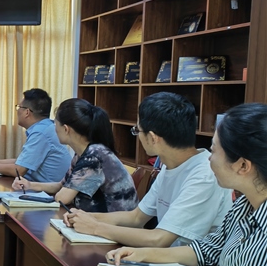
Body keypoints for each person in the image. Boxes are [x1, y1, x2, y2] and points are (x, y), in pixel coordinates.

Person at [107, 103, 267, 266]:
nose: (209, 157)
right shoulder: (243, 205)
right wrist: (143, 254)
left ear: (243, 166)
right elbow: (206, 251)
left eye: (214, 150)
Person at [64, 93, 232, 246]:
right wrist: (85, 217)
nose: (138, 136)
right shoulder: (169, 165)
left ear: (152, 138)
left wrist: (95, 227)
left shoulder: (204, 175)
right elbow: (136, 217)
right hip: (165, 259)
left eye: (138, 130)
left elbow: (159, 239)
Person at [13, 98, 137, 212]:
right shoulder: (82, 153)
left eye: (55, 124)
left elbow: (62, 198)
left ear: (66, 129)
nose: (54, 129)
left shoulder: (94, 156)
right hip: (97, 220)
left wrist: (60, 194)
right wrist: (30, 185)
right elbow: (61, 185)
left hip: (113, 223)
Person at [0, 88, 71, 182]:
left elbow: (19, 170)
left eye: (19, 107)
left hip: (46, 191)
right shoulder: (45, 127)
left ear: (27, 112)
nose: (17, 111)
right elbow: (21, 162)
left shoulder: (41, 133)